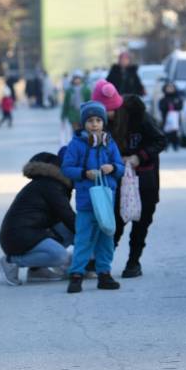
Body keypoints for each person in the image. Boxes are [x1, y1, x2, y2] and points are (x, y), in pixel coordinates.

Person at [61, 101, 125, 293]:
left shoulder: (109, 143)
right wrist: (83, 173)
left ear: (103, 122)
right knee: (84, 237)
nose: (95, 124)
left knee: (107, 236)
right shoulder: (77, 144)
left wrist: (112, 168)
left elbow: (120, 167)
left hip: (106, 199)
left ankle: (104, 273)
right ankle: (77, 274)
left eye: (98, 120)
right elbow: (66, 168)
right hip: (87, 200)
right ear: (84, 123)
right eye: (90, 121)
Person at [0, 151, 76, 285]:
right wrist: (88, 237)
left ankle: (37, 270)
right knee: (60, 256)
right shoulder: (50, 186)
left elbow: (63, 221)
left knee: (69, 231)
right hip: (19, 237)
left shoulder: (48, 184)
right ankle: (11, 261)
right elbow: (68, 216)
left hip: (29, 233)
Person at [111, 94, 167, 278]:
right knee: (115, 223)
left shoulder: (140, 117)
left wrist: (139, 156)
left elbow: (160, 140)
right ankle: (102, 263)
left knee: (141, 224)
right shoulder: (106, 122)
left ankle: (133, 262)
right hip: (120, 179)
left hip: (145, 180)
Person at [158, 82, 184, 151]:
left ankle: (175, 144)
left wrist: (174, 106)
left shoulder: (177, 98)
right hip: (166, 118)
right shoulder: (163, 99)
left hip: (175, 118)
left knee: (175, 132)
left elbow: (180, 106)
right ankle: (166, 145)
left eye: (171, 88)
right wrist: (167, 107)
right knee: (165, 132)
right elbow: (161, 107)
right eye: (168, 88)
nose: (170, 89)